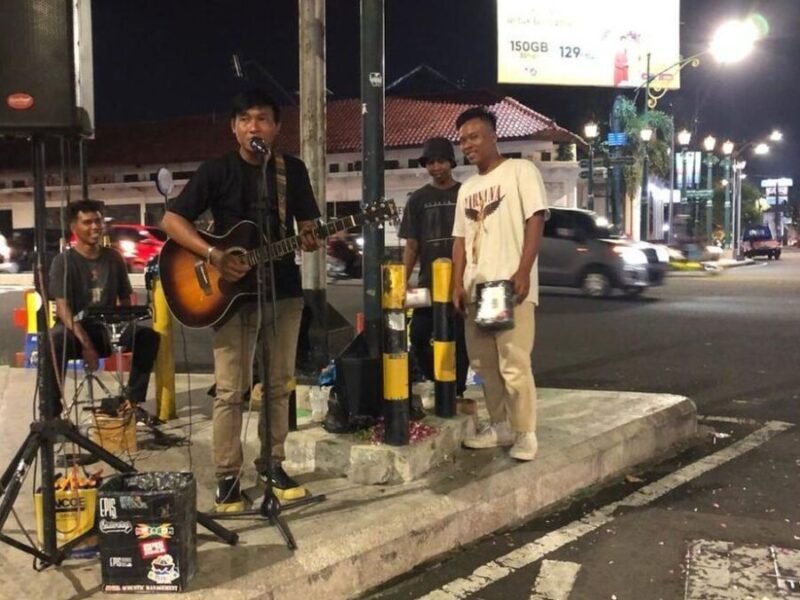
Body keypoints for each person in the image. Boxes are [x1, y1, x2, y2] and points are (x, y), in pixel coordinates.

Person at [161, 88, 320, 510]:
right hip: (228, 297)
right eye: (246, 119)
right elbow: (172, 219)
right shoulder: (217, 171)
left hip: (282, 292)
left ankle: (272, 464)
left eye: (263, 118)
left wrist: (311, 236)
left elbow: (309, 227)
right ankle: (228, 477)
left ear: (276, 128)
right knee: (231, 390)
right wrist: (213, 254)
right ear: (234, 127)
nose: (255, 126)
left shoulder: (292, 172)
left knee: (279, 385)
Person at [451, 106, 548, 462]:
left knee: (514, 362)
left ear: (494, 136)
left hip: (507, 284)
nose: (468, 145)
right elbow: (460, 240)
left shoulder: (521, 171)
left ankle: (525, 433)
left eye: (474, 136)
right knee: (484, 365)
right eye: (462, 140)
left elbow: (535, 219)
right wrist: (456, 283)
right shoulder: (468, 189)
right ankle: (499, 425)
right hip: (478, 289)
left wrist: (523, 271)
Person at [44, 199, 160, 417]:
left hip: (107, 329)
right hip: (75, 332)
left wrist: (128, 324)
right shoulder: (63, 261)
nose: (95, 227)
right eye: (87, 222)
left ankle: (131, 402)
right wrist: (86, 344)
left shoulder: (113, 258)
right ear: (74, 228)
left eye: (98, 221)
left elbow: (125, 299)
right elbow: (62, 309)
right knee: (53, 340)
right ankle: (52, 415)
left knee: (147, 336)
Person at [398, 137, 468, 400]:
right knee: (418, 335)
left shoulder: (465, 193)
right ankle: (436, 378)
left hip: (461, 281)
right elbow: (412, 245)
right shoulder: (418, 199)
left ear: (451, 162)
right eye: (431, 162)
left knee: (459, 339)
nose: (436, 167)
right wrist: (403, 281)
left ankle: (456, 391)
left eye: (440, 161)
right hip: (428, 283)